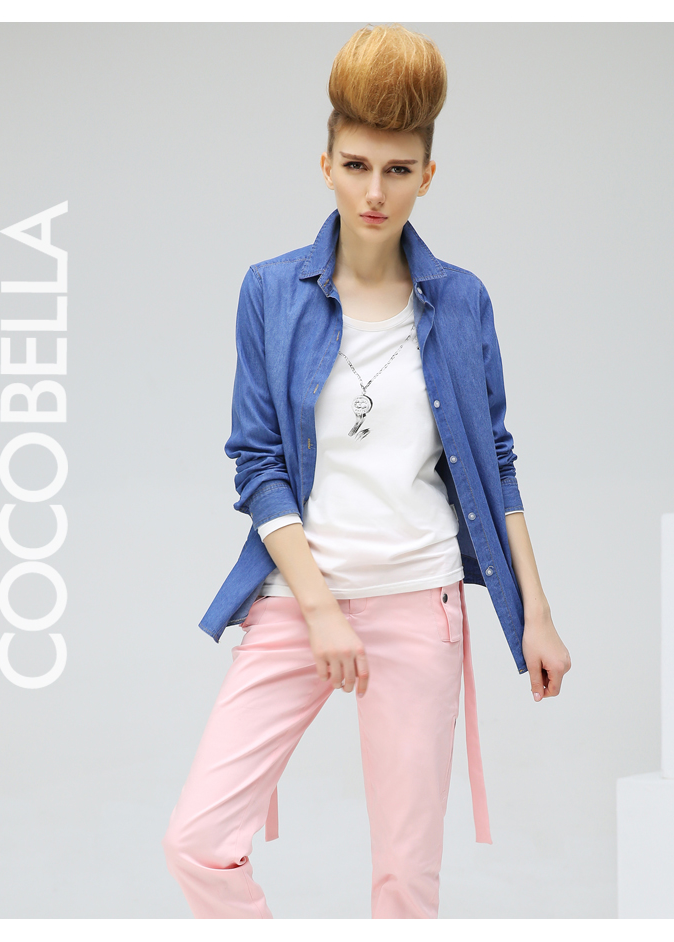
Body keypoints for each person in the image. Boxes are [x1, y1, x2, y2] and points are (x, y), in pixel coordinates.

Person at [162, 23, 571, 919]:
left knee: (405, 881)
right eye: (355, 166)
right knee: (197, 839)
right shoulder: (271, 292)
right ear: (326, 167)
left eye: (397, 170)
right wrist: (318, 608)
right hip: (298, 601)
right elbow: (259, 464)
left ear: (428, 175)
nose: (375, 191)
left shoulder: (461, 301)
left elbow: (496, 463)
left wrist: (536, 616)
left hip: (421, 604)